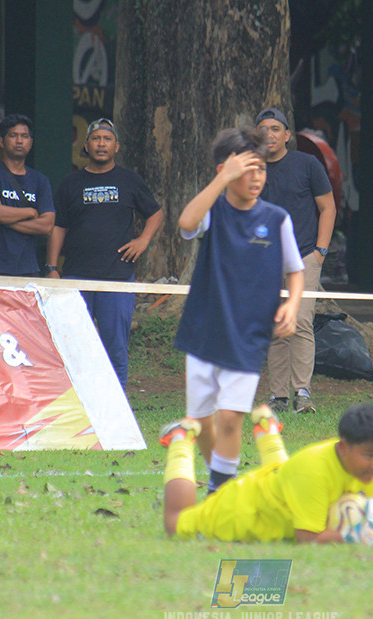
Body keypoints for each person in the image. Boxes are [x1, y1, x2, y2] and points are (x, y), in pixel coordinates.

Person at [173, 126, 305, 493]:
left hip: (249, 334)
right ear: (225, 171)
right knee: (200, 422)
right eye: (247, 169)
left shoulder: (277, 219)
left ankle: (220, 493)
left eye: (261, 168)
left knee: (230, 418)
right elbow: (185, 224)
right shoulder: (212, 211)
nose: (256, 177)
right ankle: (225, 484)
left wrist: (291, 306)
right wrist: (221, 180)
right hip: (204, 329)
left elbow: (295, 271)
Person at [159, 403, 373, 543]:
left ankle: (267, 427)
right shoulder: (313, 470)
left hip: (283, 480)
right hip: (244, 508)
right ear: (343, 448)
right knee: (175, 522)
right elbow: (308, 538)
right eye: (369, 455)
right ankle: (181, 438)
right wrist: (357, 533)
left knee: (288, 475)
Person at [48, 118, 163, 389]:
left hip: (117, 278)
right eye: (96, 139)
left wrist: (143, 240)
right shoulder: (71, 183)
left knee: (115, 349)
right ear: (86, 145)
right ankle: (80, 404)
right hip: (77, 276)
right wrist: (51, 266)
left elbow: (155, 213)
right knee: (75, 346)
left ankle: (117, 405)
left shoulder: (129, 180)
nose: (101, 143)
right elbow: (59, 226)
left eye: (107, 139)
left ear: (116, 146)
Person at [256, 108, 336, 415]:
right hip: (265, 260)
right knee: (277, 326)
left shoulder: (307, 164)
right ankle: (279, 396)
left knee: (301, 322)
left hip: (303, 257)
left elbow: (327, 208)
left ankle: (303, 392)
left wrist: (320, 252)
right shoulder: (253, 169)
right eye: (263, 129)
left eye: (276, 129)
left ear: (287, 135)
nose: (270, 134)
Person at [0, 114, 55, 276]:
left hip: (28, 269)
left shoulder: (40, 180)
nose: (19, 141)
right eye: (13, 135)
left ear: (30, 143)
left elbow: (46, 226)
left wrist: (4, 219)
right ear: (1, 141)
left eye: (24, 136)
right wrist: (30, 213)